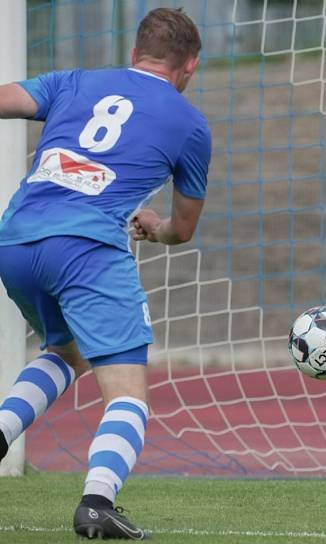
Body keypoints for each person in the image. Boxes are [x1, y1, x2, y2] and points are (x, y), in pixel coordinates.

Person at [0, 7, 210, 540]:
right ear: (189, 66)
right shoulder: (189, 124)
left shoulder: (75, 81)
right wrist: (153, 226)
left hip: (17, 239)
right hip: (87, 249)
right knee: (127, 394)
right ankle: (97, 502)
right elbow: (182, 229)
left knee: (65, 352)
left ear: (134, 53)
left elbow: (4, 98)